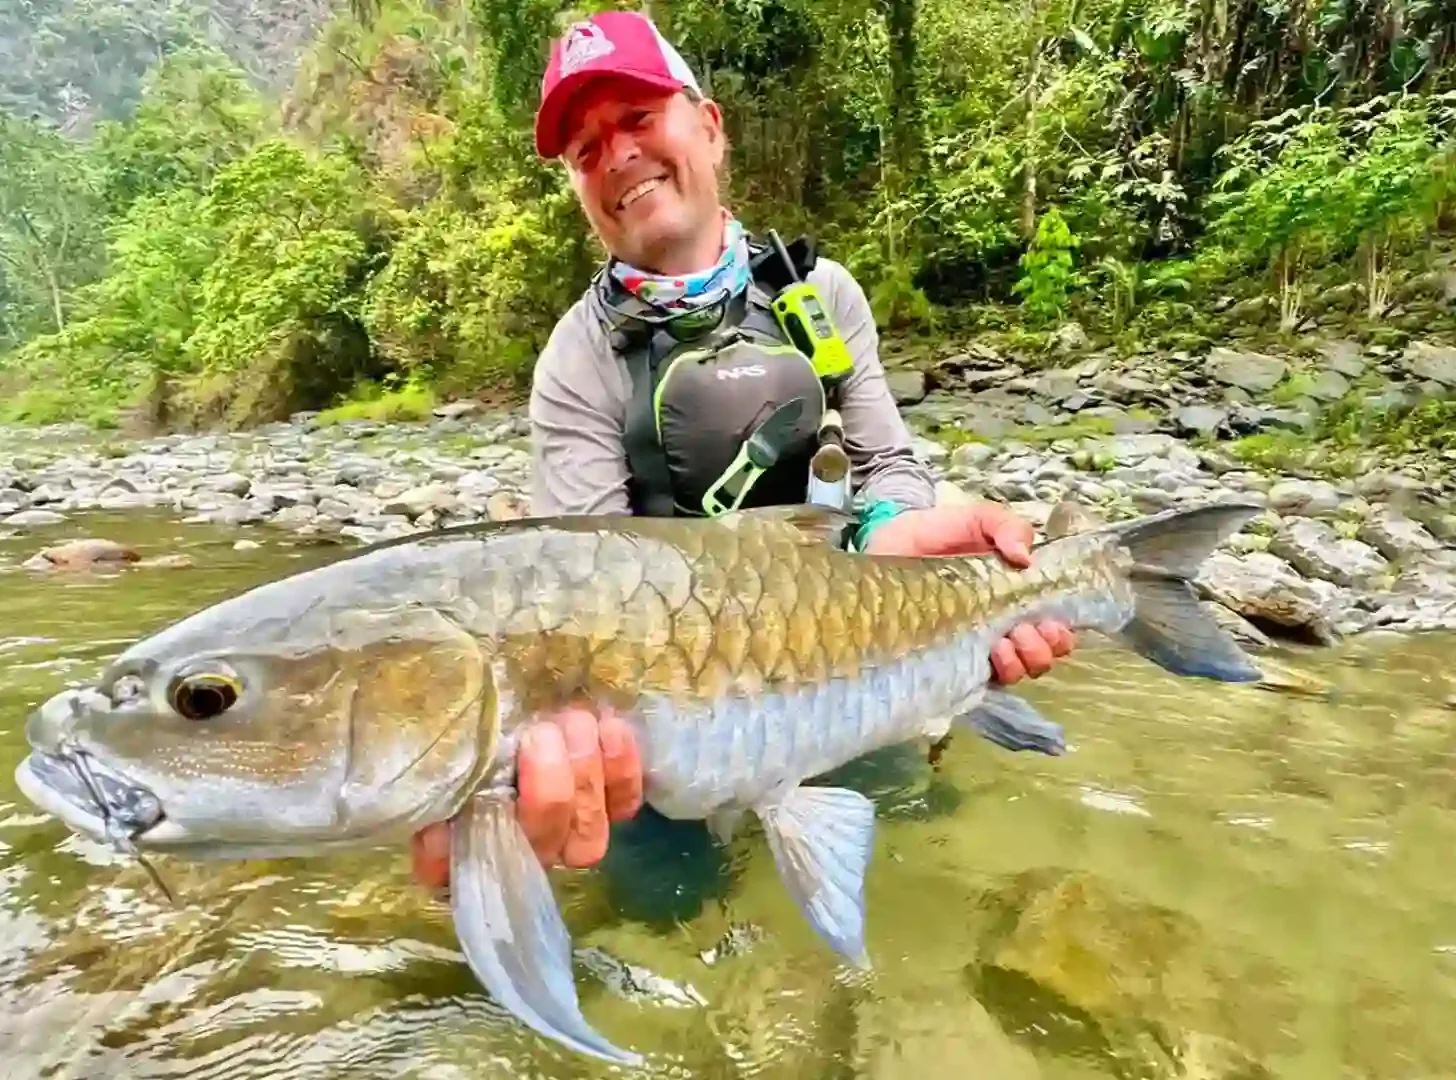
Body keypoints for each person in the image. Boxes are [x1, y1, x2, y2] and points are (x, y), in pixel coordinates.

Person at [409, 10, 1075, 898]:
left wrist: (898, 532)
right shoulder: (576, 359)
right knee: (663, 917)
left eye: (638, 120)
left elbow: (887, 466)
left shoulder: (821, 293)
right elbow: (576, 592)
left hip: (845, 646)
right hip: (658, 708)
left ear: (710, 129)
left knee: (919, 878)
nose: (616, 155)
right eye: (585, 149)